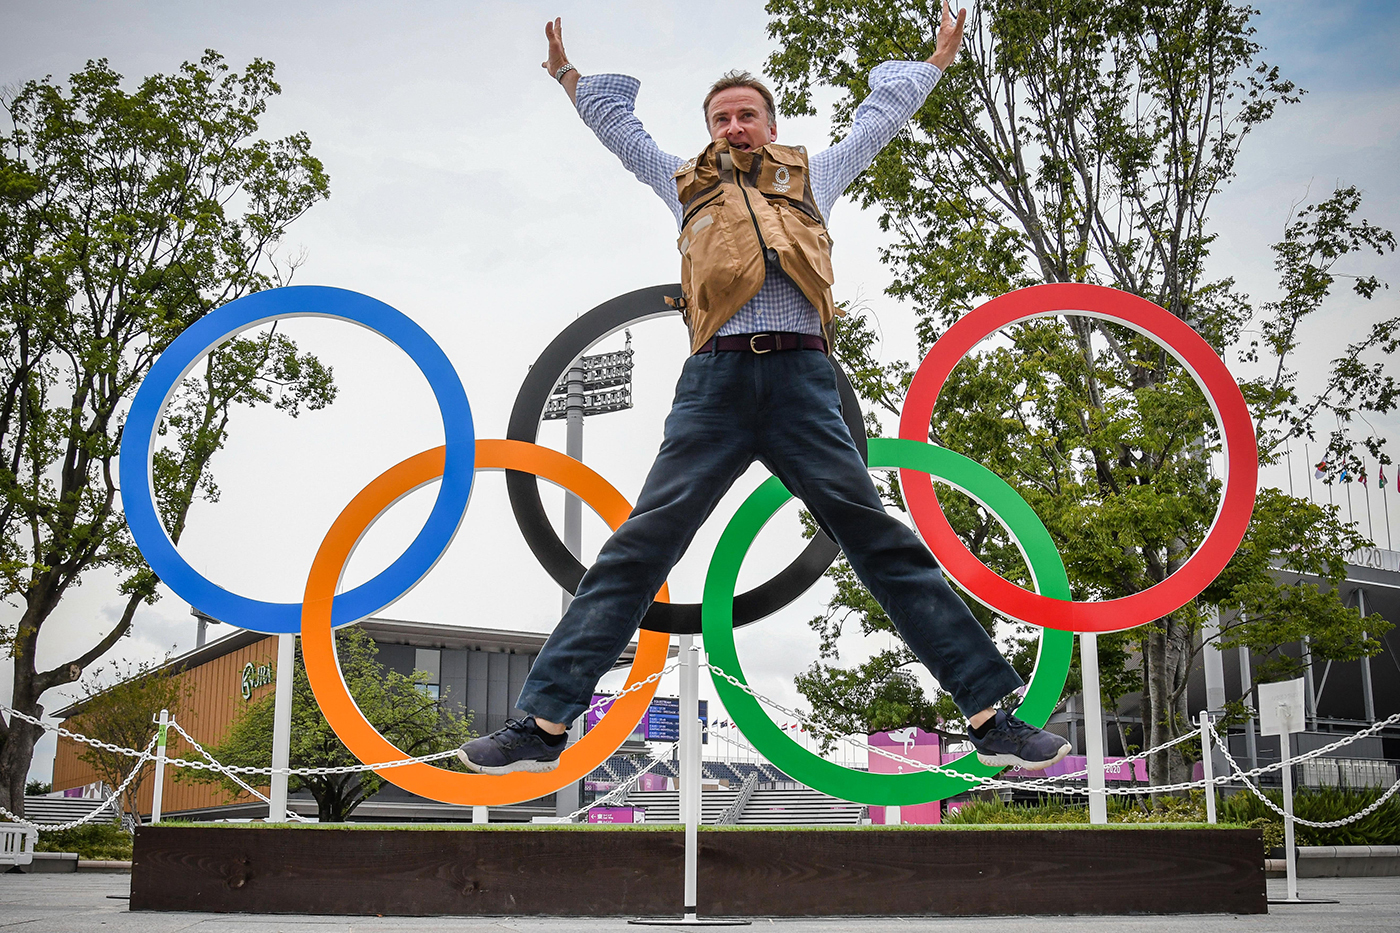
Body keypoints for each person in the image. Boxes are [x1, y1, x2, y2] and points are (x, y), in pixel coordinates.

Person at [459, 4, 1070, 776]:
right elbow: (622, 133)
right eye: (720, 117)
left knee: (877, 538)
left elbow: (878, 121)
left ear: (768, 124)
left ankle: (991, 715)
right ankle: (542, 722)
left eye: (746, 114)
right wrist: (569, 76)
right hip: (713, 382)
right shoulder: (684, 184)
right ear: (710, 129)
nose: (733, 126)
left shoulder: (813, 176)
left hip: (802, 379)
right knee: (640, 545)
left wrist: (937, 62)